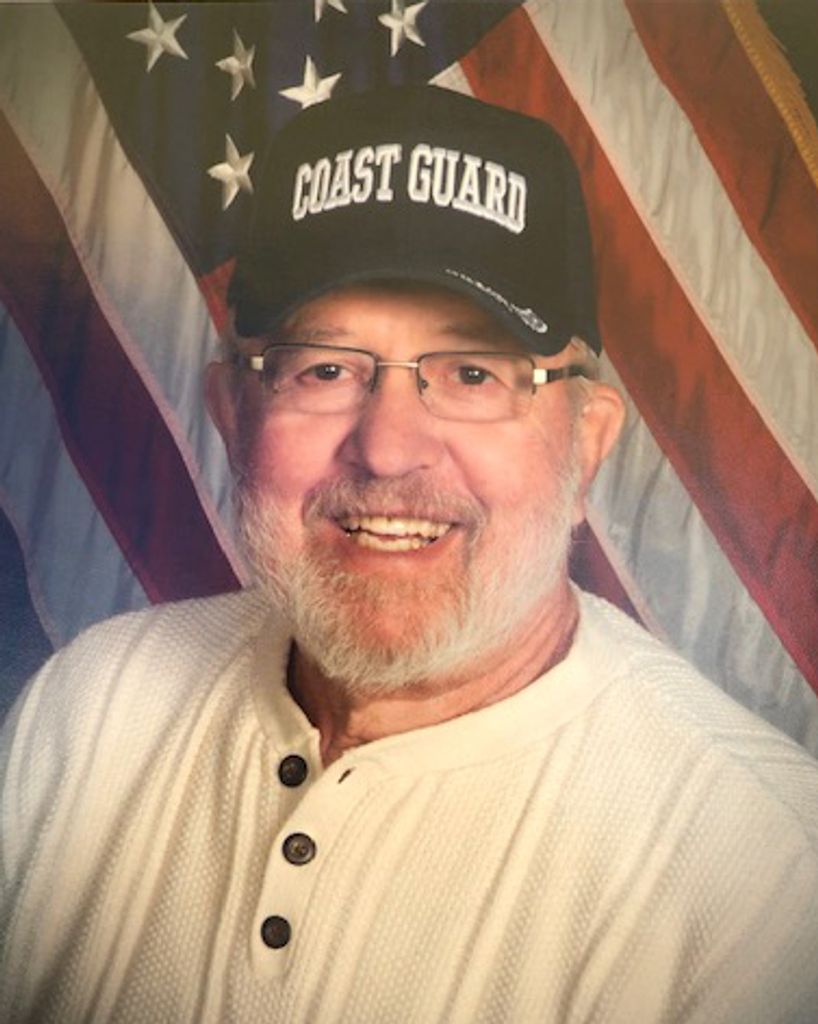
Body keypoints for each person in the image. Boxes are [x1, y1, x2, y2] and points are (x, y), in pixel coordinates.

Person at [2, 85, 818, 1024]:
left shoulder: (761, 884)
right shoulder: (91, 704)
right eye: (325, 368)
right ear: (232, 415)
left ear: (587, 445)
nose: (389, 449)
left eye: (472, 373)